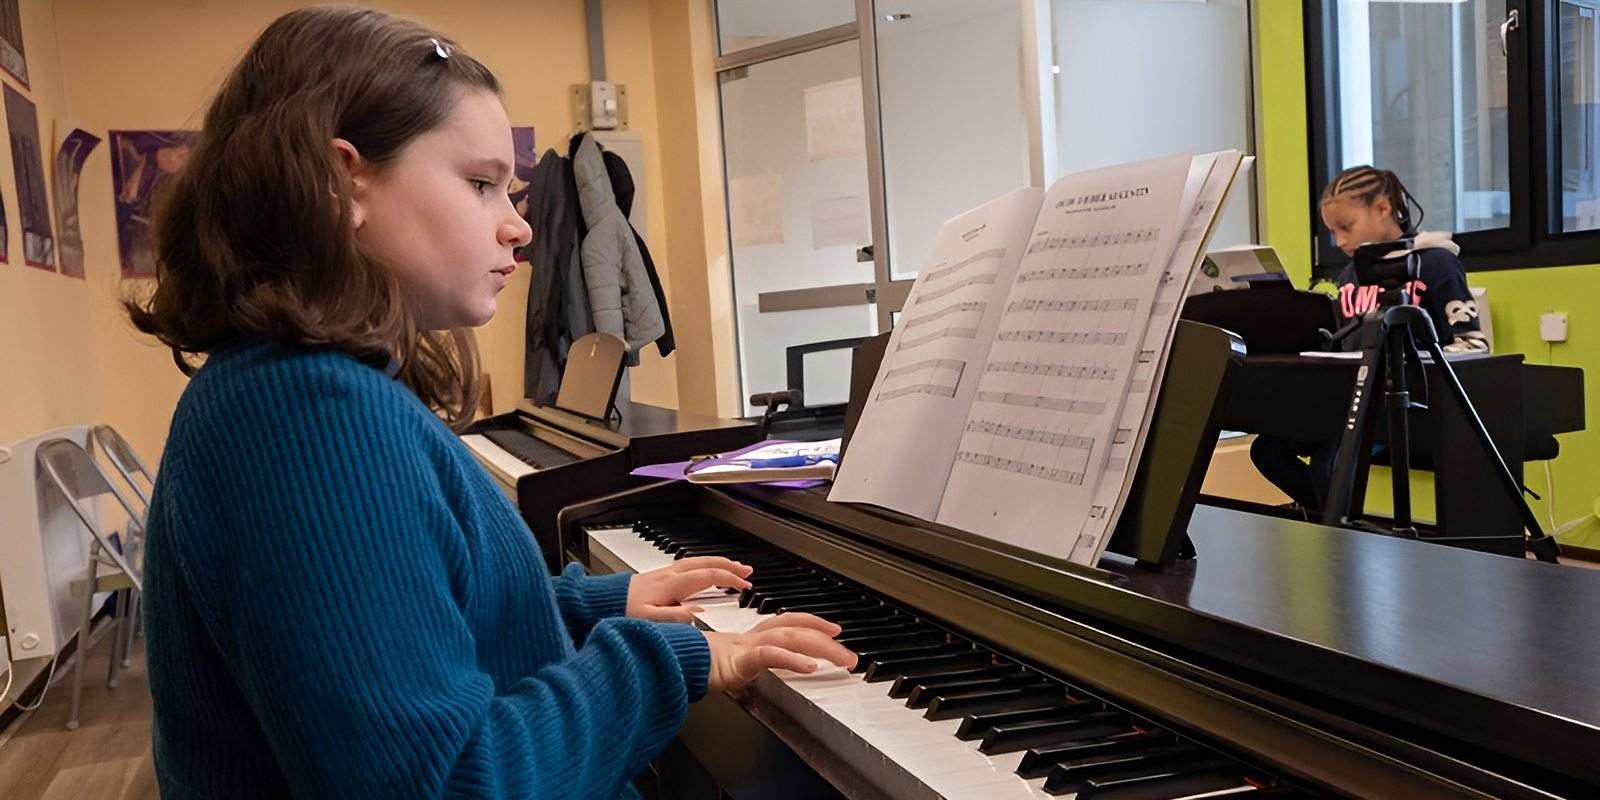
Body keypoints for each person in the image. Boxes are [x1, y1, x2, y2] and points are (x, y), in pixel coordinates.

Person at [127, 8, 854, 799]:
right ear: (341, 183)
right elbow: (446, 784)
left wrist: (600, 603)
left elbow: (419, 620)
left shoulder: (288, 387)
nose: (519, 228)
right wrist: (673, 661)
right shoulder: (310, 416)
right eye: (481, 185)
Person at [1250, 166, 1487, 515]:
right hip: (1350, 402)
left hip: (1407, 404)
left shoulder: (1436, 263)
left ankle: (1338, 527)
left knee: (1331, 464)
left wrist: (1408, 362)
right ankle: (1333, 519)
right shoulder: (1351, 275)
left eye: (1346, 227)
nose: (1339, 241)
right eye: (1333, 232)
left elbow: (1473, 345)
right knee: (1268, 450)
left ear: (1382, 208)